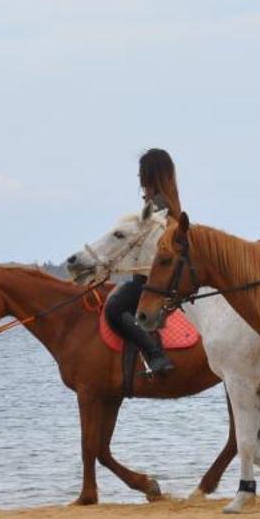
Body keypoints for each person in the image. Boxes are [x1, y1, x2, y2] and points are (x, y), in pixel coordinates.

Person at [103, 149, 181, 377]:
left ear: (150, 174)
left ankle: (156, 355)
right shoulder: (163, 202)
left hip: (151, 278)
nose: (138, 178)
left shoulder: (157, 206)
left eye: (141, 174)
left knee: (115, 307)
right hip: (149, 274)